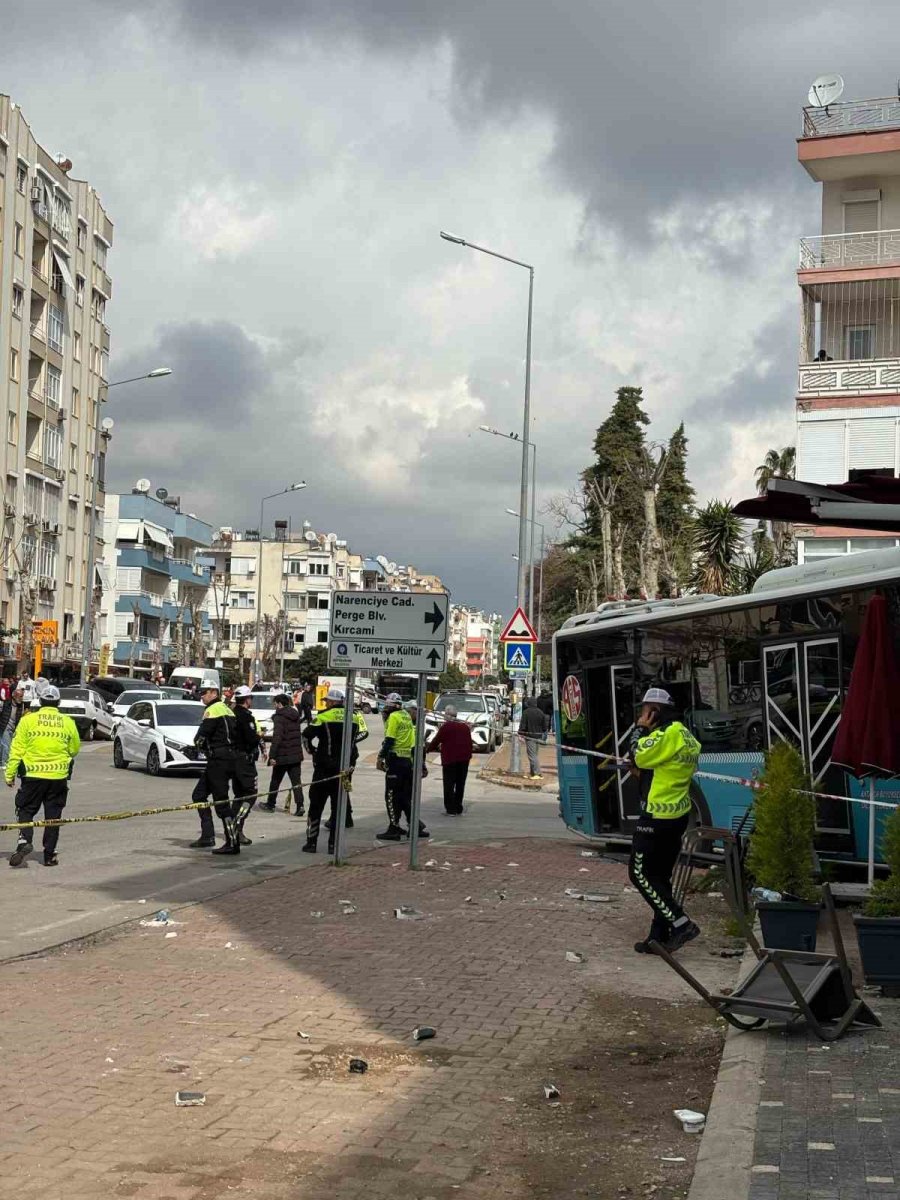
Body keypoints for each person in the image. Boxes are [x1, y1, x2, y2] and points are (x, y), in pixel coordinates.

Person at [627, 687, 702, 954]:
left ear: (655, 711)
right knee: (660, 876)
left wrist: (639, 729)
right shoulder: (687, 737)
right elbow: (662, 769)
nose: (640, 714)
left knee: (639, 873)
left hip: (656, 816)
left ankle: (681, 924)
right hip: (677, 816)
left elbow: (637, 752)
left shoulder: (665, 734)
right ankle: (658, 936)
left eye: (644, 710)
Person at [6, 681, 81, 867]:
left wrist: (9, 774)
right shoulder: (67, 722)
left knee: (25, 809)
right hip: (58, 778)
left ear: (39, 701)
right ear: (58, 702)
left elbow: (16, 749)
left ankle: (24, 840)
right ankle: (49, 855)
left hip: (32, 776)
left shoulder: (27, 720)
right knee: (53, 817)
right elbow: (74, 749)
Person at [301, 688, 366, 853]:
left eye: (327, 701)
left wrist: (313, 751)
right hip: (344, 771)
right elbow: (356, 741)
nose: (326, 704)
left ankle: (311, 843)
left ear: (330, 702)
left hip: (323, 769)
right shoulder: (353, 718)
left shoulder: (323, 717)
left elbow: (306, 736)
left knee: (315, 807)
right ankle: (333, 845)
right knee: (338, 809)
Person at [192, 684, 249, 856]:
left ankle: (232, 842)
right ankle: (208, 836)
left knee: (222, 803)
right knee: (199, 795)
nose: (202, 696)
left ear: (213, 693)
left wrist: (202, 749)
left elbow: (200, 738)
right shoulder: (227, 708)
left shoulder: (213, 710)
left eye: (204, 693)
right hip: (229, 759)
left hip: (218, 761)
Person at [376, 694, 429, 842]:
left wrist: (380, 757)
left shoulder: (394, 718)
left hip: (396, 762)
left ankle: (394, 828)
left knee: (391, 796)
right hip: (407, 763)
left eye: (386, 706)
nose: (384, 709)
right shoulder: (406, 717)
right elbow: (414, 745)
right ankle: (415, 825)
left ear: (391, 706)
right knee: (404, 797)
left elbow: (390, 740)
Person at [425, 704, 473, 815]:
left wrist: (428, 749)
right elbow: (469, 743)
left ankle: (450, 809)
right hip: (464, 760)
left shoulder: (446, 727)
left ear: (448, 715)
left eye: (445, 714)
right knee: (460, 784)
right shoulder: (465, 727)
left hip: (450, 760)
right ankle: (458, 807)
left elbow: (437, 740)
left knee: (449, 785)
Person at [262, 693, 305, 815]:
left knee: (275, 780)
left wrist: (272, 756)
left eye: (275, 704)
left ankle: (270, 804)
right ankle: (300, 806)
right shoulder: (294, 715)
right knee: (296, 782)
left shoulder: (279, 717)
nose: (274, 706)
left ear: (279, 704)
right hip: (295, 755)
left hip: (282, 755)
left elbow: (277, 738)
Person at [230, 685, 262, 842]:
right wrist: (258, 736)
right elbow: (250, 739)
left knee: (238, 795)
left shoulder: (231, 714)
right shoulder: (245, 716)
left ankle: (233, 827)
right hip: (245, 761)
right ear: (247, 699)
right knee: (250, 794)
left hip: (234, 760)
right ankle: (238, 824)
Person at [518, 697, 550, 779]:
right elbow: (544, 727)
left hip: (530, 737)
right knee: (535, 754)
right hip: (538, 736)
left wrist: (520, 734)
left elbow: (523, 725)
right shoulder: (540, 712)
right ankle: (532, 773)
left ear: (528, 703)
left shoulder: (526, 712)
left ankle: (537, 773)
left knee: (532, 756)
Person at [0, 683, 25, 770]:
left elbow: (21, 716)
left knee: (9, 745)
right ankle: (4, 763)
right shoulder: (5, 703)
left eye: (22, 696)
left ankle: (5, 761)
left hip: (14, 728)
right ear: (14, 696)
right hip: (5, 726)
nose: (21, 698)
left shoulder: (21, 705)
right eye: (20, 696)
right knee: (6, 745)